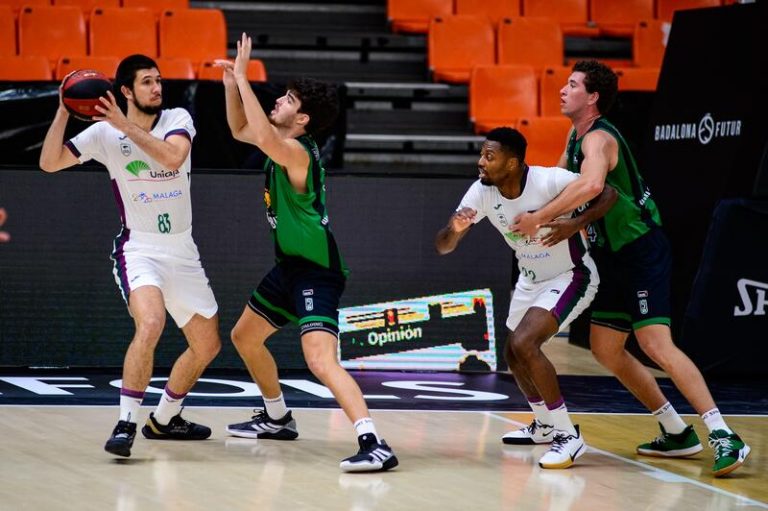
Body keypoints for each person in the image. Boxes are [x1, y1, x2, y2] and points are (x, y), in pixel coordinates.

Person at [512, 59, 750, 477]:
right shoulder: (574, 136)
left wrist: (540, 218)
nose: (563, 89)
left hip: (640, 249)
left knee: (655, 343)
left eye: (573, 85)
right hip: (610, 255)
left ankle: (723, 433)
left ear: (593, 97)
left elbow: (590, 185)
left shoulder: (599, 139)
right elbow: (557, 182)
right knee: (606, 349)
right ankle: (676, 431)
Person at [214, 33, 398, 473]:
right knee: (244, 337)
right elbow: (240, 130)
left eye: (289, 99)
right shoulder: (280, 145)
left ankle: (374, 443)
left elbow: (259, 133)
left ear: (303, 119)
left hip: (318, 271)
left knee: (319, 360)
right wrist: (231, 86)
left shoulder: (297, 153)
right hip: (290, 267)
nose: (279, 100)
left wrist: (244, 78)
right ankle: (277, 417)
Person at [39, 54, 221, 458]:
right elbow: (49, 163)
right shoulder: (103, 134)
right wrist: (63, 110)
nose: (157, 88)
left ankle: (165, 418)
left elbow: (173, 157)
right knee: (151, 322)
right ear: (125, 90)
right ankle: (126, 423)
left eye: (158, 80)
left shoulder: (177, 119)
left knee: (207, 346)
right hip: (140, 249)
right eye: (146, 82)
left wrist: (123, 126)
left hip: (182, 251)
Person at [435, 127, 617, 469]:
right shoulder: (481, 192)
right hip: (530, 279)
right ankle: (544, 425)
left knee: (525, 343)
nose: (481, 162)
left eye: (489, 156)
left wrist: (574, 223)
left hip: (571, 275)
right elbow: (443, 247)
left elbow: (608, 194)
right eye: (481, 154)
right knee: (512, 352)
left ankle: (568, 435)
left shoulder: (549, 181)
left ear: (512, 162)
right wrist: (454, 232)